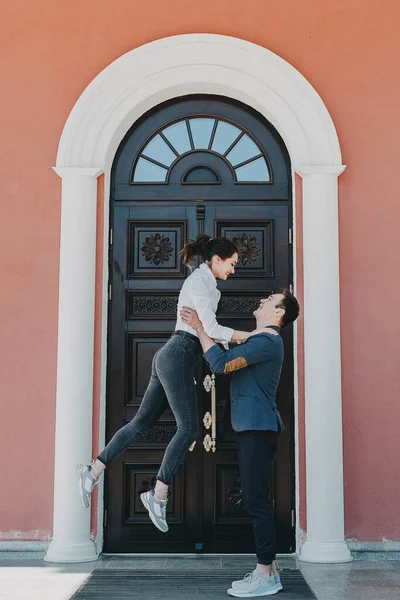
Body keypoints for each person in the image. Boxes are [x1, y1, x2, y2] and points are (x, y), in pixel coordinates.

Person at [77, 234, 258, 533]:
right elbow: (209, 328)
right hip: (177, 353)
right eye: (232, 263)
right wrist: (249, 336)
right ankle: (157, 494)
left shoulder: (208, 285)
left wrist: (227, 347)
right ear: (215, 259)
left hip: (175, 354)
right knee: (187, 429)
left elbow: (207, 332)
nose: (233, 270)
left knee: (141, 423)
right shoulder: (200, 282)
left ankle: (92, 471)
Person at [180, 289, 299, 598]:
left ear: (279, 314)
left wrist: (200, 328)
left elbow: (220, 365)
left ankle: (264, 574)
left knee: (257, 502)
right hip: (253, 429)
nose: (261, 301)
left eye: (270, 301)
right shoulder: (260, 341)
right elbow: (227, 356)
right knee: (255, 498)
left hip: (257, 429)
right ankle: (269, 570)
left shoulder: (267, 341)